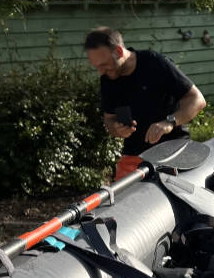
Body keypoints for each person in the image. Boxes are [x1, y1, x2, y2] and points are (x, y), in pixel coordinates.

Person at [84, 26, 206, 180]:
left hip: (172, 150)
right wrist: (115, 129)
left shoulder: (154, 62)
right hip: (134, 156)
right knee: (120, 201)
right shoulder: (107, 78)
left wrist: (169, 122)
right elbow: (109, 119)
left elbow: (197, 100)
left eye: (104, 65)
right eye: (97, 67)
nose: (101, 72)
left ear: (119, 52)